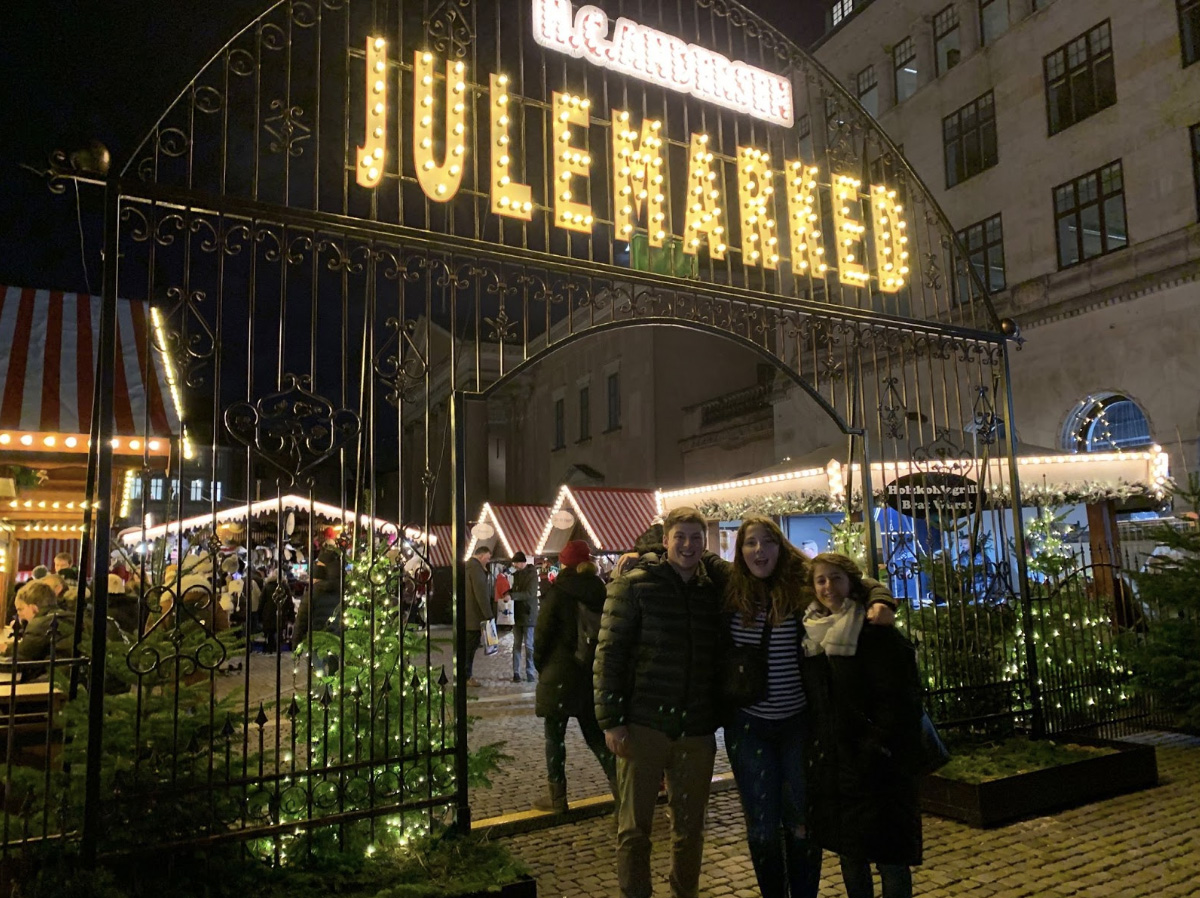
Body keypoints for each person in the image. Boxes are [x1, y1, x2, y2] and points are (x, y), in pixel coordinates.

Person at [716, 517, 898, 898]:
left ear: (780, 547)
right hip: (747, 727)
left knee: (802, 823)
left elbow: (852, 580)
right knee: (762, 830)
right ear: (740, 549)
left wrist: (881, 597)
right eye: (751, 543)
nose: (759, 550)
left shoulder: (802, 584)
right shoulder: (727, 587)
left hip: (799, 723)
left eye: (767, 542)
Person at [595, 507, 723, 898]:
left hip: (696, 728)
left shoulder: (713, 589)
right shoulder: (635, 585)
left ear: (705, 543)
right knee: (634, 828)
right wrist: (611, 721)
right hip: (644, 723)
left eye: (695, 537)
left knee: (690, 829)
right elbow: (609, 654)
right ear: (664, 540)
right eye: (680, 536)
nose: (687, 545)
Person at [801, 553, 923, 898]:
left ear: (852, 582)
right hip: (836, 762)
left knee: (889, 856)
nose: (828, 587)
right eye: (821, 580)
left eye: (836, 578)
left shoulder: (873, 629)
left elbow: (899, 697)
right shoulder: (811, 633)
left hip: (878, 762)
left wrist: (877, 745)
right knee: (851, 855)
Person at [532, 540, 615, 812]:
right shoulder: (600, 591)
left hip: (558, 674)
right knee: (597, 738)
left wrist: (541, 666)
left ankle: (557, 798)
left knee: (554, 738)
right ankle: (622, 792)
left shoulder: (558, 591)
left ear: (564, 562)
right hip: (589, 675)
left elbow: (541, 636)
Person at [0, 580, 74, 680]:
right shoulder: (64, 616)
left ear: (34, 608)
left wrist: (6, 649)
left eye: (20, 609)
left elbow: (22, 657)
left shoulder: (40, 623)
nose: (19, 615)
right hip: (72, 676)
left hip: (56, 680)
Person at [464, 544, 494, 687]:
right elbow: (481, 594)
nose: (487, 561)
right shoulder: (476, 569)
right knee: (470, 649)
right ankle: (467, 676)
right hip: (474, 618)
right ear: (481, 556)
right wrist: (488, 615)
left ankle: (465, 675)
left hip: (466, 616)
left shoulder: (466, 567)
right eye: (487, 558)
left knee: (466, 648)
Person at [509, 551, 539, 683]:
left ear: (522, 562)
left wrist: (513, 596)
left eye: (516, 563)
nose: (514, 565)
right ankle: (516, 672)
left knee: (529, 645)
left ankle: (530, 672)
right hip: (517, 614)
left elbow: (530, 593)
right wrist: (508, 593)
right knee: (516, 644)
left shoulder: (532, 575)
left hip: (528, 614)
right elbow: (515, 590)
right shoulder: (516, 575)